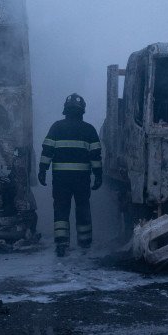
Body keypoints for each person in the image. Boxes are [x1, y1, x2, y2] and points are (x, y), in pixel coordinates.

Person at [38, 93, 102, 256]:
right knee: (82, 208)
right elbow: (95, 156)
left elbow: (47, 151)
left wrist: (42, 170)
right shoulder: (89, 130)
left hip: (61, 179)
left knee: (61, 209)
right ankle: (85, 243)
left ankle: (61, 244)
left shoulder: (56, 127)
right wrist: (98, 175)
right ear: (82, 111)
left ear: (65, 110)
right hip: (81, 180)